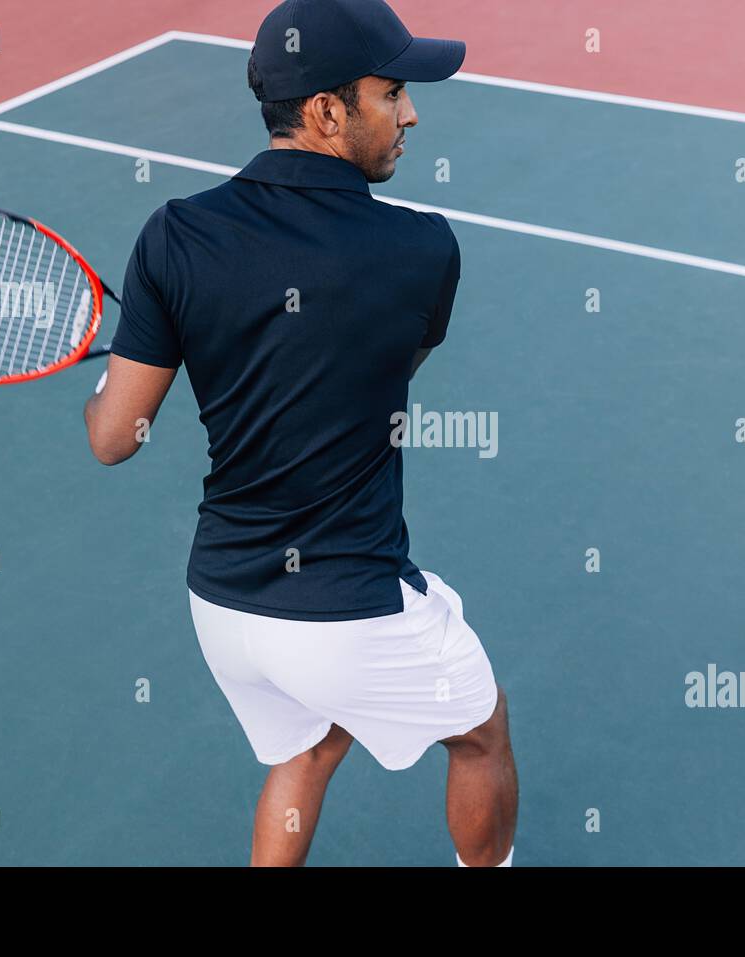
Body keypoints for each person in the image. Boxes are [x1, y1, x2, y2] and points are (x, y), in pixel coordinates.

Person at [83, 0, 517, 867]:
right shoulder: (425, 250)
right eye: (391, 92)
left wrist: (111, 380)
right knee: (481, 736)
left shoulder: (174, 234)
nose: (412, 113)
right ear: (327, 111)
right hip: (345, 609)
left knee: (308, 749)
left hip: (225, 607)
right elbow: (385, 382)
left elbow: (113, 437)